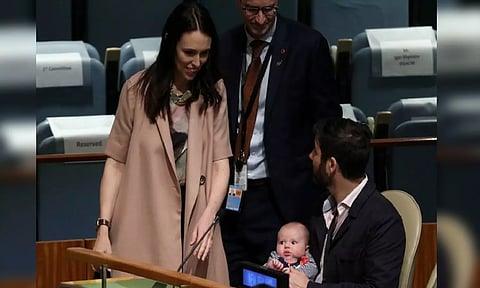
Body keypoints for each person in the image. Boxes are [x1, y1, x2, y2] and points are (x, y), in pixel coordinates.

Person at [92, 1, 231, 284]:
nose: (197, 62)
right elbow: (115, 164)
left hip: (196, 225)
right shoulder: (135, 91)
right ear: (170, 45)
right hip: (144, 222)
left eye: (204, 54)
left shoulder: (215, 92)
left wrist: (208, 217)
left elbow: (220, 164)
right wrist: (103, 228)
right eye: (189, 52)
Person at [218, 0, 342, 285]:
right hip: (233, 196)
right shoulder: (224, 47)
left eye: (269, 9)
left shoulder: (307, 46)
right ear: (238, 4)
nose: (261, 19)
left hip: (283, 197)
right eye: (252, 10)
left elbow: (327, 120)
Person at [288, 118, 406, 287]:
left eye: (316, 152)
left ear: (331, 165)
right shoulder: (319, 206)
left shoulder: (384, 221)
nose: (310, 156)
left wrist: (308, 287)